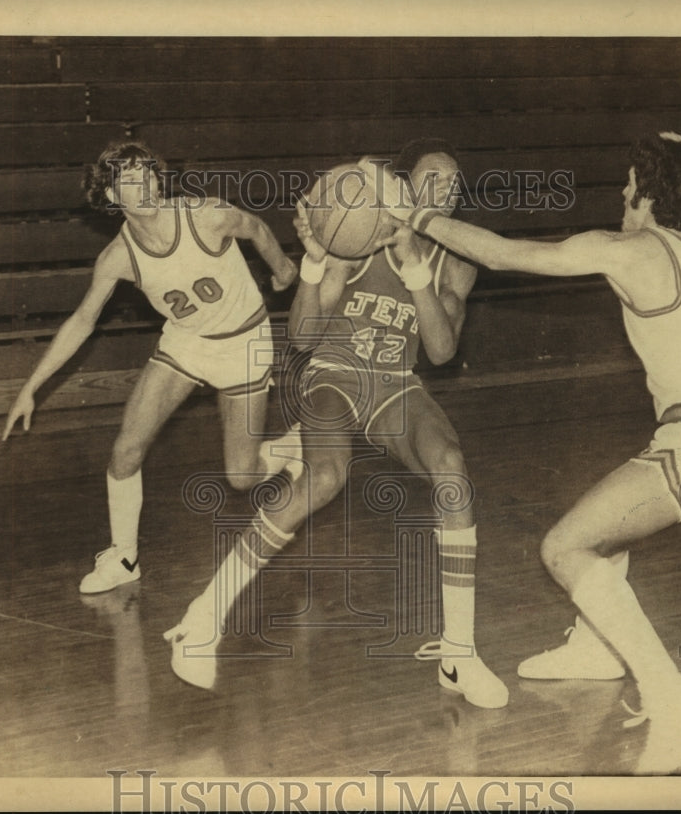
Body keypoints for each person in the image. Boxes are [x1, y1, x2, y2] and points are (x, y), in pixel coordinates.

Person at [361, 132, 681, 773]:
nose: (623, 201)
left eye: (631, 191)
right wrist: (680, 157)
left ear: (651, 197)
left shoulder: (630, 251)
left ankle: (672, 696)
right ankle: (597, 647)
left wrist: (419, 216)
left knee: (563, 549)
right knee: (609, 520)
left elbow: (504, 253)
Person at [163, 138, 509, 709]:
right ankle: (202, 619)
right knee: (325, 478)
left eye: (448, 187)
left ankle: (459, 653)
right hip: (332, 374)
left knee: (451, 470)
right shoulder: (360, 234)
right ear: (401, 190)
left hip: (394, 382)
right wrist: (318, 259)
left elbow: (443, 352)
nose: (437, 194)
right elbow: (301, 338)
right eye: (426, 182)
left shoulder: (456, 261)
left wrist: (418, 274)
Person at [1, 141, 300, 594]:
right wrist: (32, 386)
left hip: (243, 341)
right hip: (186, 342)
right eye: (129, 181)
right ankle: (124, 557)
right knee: (126, 448)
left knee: (241, 476)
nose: (144, 186)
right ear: (110, 198)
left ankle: (292, 448)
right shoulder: (117, 258)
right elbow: (83, 320)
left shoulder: (205, 215)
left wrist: (282, 270)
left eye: (149, 175)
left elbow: (254, 226)